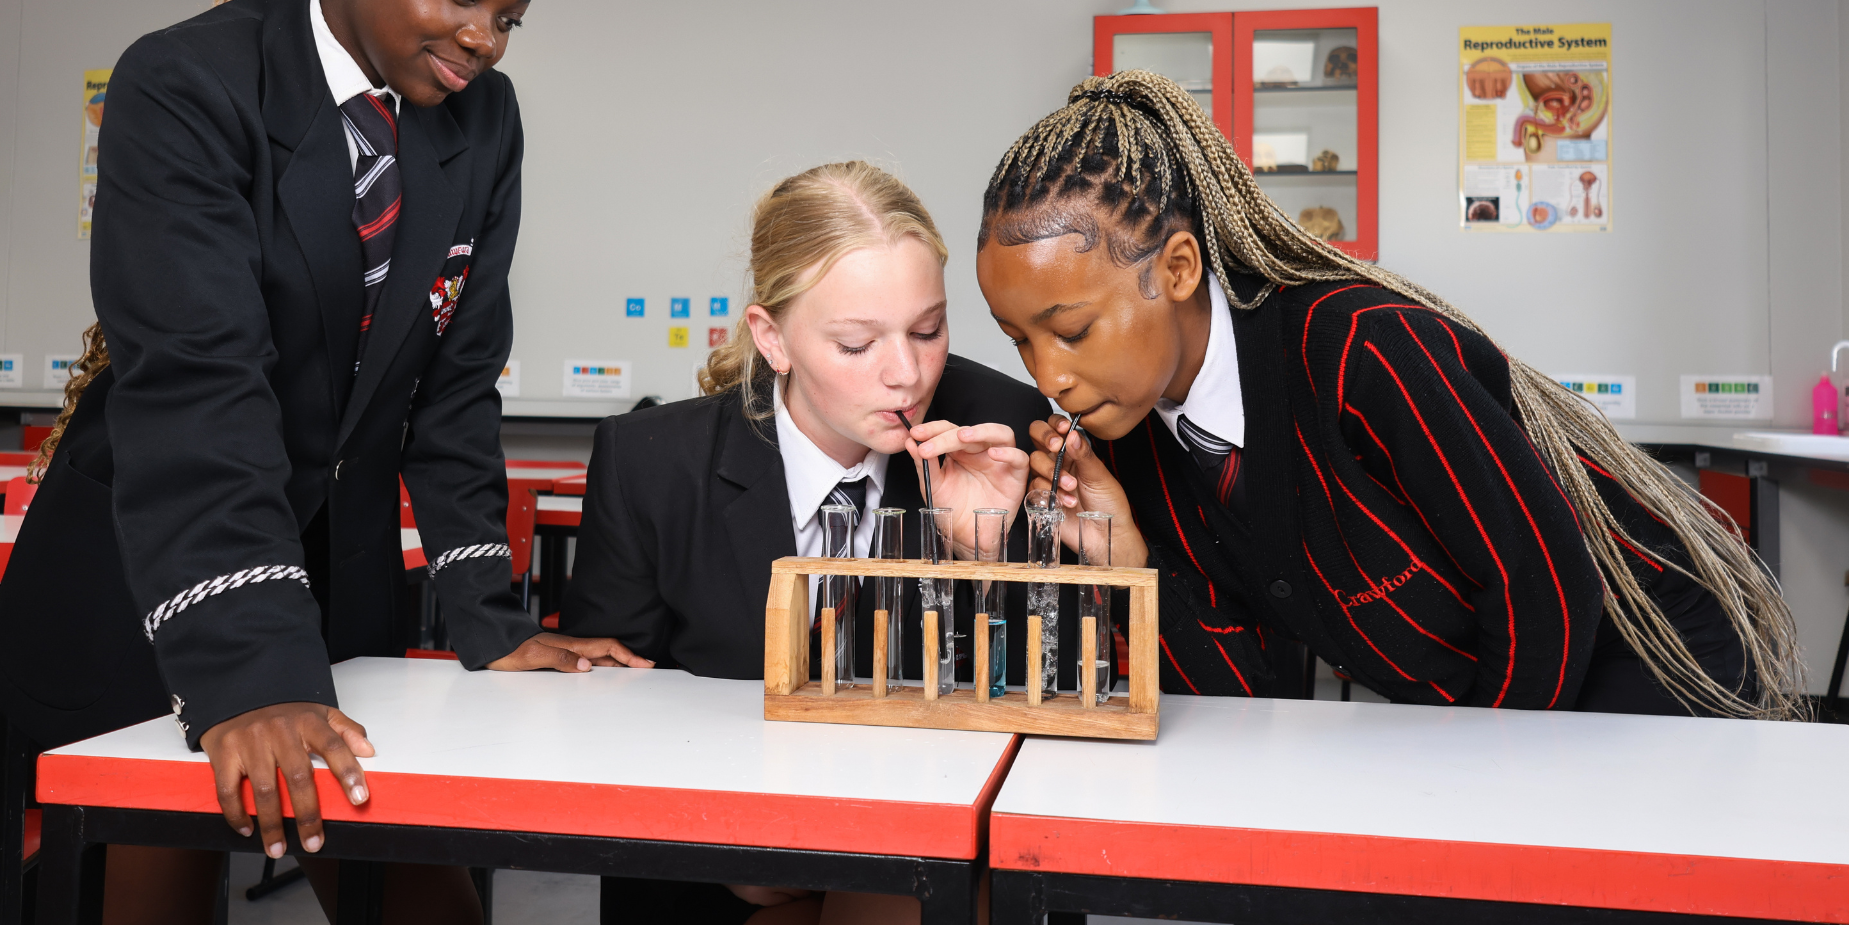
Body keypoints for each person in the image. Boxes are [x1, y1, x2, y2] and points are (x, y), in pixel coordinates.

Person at [0, 0, 615, 924]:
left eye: (508, 17)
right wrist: (250, 667)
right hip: (159, 571)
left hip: (334, 586)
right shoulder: (187, 81)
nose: (487, 38)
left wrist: (487, 611)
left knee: (421, 899)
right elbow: (200, 379)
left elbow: (458, 378)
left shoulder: (481, 120)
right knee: (158, 887)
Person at [974, 69, 1803, 720]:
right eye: (1020, 340)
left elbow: (1541, 585)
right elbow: (1240, 693)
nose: (1048, 376)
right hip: (1476, 692)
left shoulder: (1361, 350)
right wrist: (1133, 563)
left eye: (1072, 329)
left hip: (1642, 650)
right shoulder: (1130, 442)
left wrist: (1479, 788)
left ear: (1180, 269)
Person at [559, 160, 1049, 925]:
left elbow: (1043, 719)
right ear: (771, 338)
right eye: (857, 345)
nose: (908, 374)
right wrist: (724, 850)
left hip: (929, 853)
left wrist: (978, 552)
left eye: (929, 329)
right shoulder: (652, 462)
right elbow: (605, 715)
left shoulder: (1003, 424)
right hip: (718, 871)